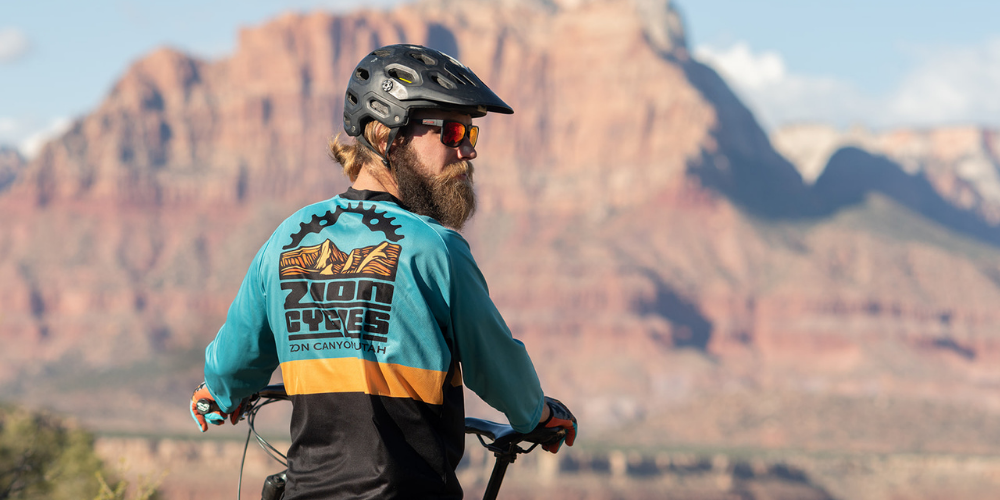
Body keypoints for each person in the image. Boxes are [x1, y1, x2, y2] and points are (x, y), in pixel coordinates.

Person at [189, 44, 577, 499]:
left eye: (472, 134)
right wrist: (538, 416)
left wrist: (217, 393)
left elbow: (233, 364)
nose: (468, 151)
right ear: (382, 135)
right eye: (452, 132)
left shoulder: (286, 239)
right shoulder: (437, 249)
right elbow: (497, 365)